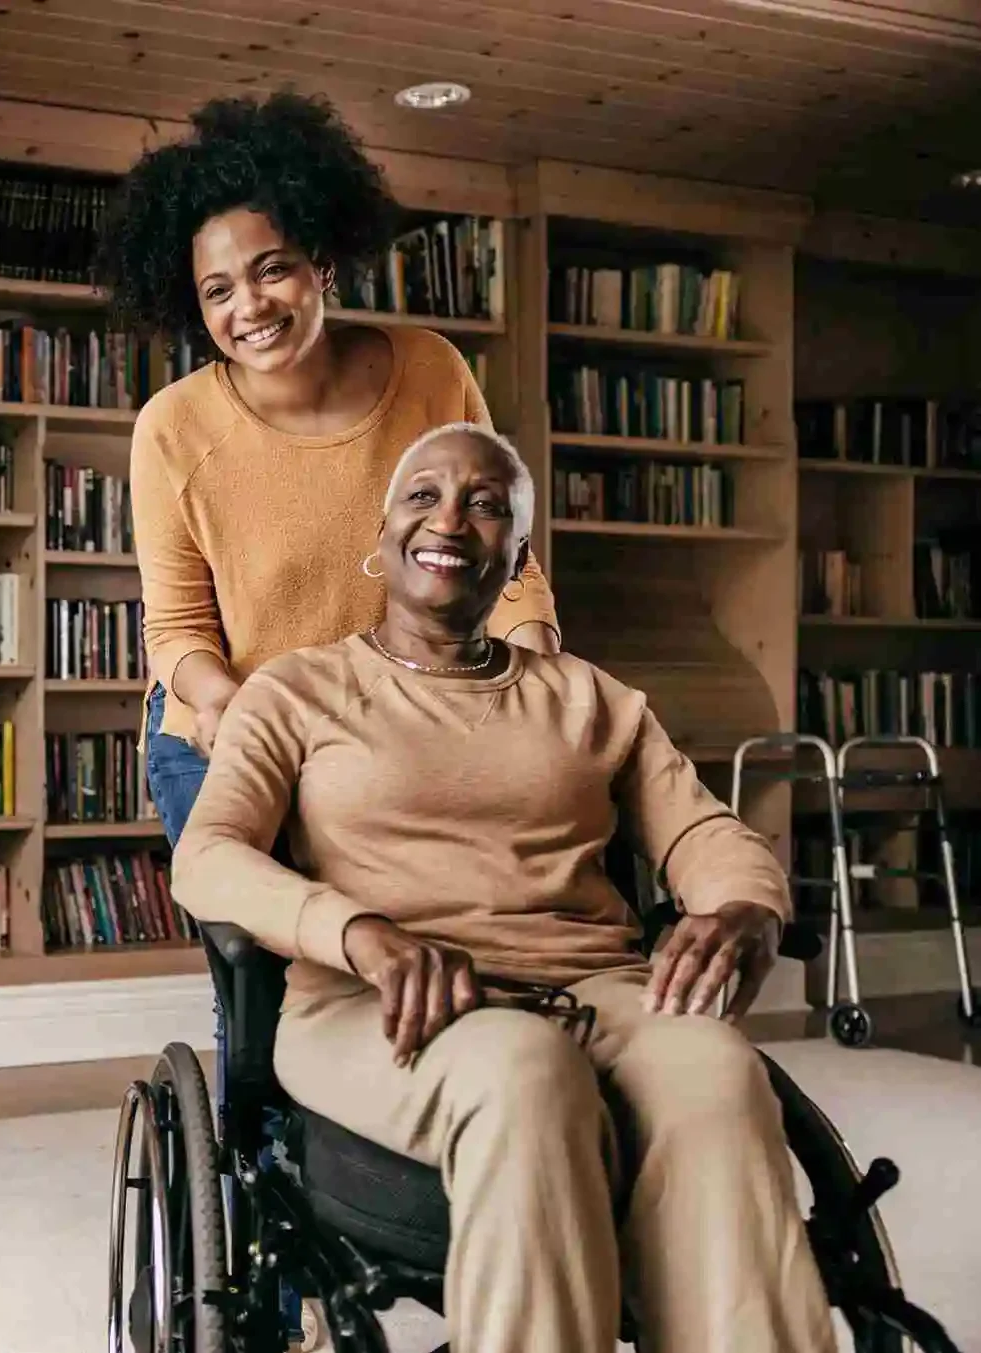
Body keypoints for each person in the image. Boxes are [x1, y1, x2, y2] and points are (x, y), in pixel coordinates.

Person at [170, 423, 839, 1353]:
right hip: (383, 1005)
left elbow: (702, 830)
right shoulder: (297, 692)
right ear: (386, 527)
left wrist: (747, 907)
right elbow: (207, 855)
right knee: (527, 1071)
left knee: (716, 1066)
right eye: (424, 495)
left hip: (598, 991)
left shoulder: (593, 699)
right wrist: (356, 929)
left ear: (516, 555)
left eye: (486, 505)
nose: (450, 518)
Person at [95, 90, 560, 848]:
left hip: (395, 729)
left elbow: (502, 561)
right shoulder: (172, 428)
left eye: (270, 269)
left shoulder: (430, 371)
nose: (248, 305)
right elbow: (177, 630)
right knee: (267, 950)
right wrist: (228, 705)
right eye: (217, 290)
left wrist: (539, 670)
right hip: (228, 733)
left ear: (322, 263)